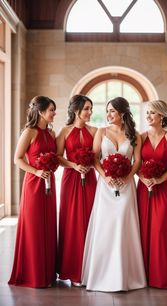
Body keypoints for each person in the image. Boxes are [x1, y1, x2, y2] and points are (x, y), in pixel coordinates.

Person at [81, 97, 146, 292]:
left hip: (126, 187)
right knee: (105, 226)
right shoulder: (101, 132)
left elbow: (137, 161)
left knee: (123, 225)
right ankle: (100, 275)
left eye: (112, 111)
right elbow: (95, 159)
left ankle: (127, 276)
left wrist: (127, 178)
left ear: (122, 113)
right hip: (106, 186)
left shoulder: (135, 135)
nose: (108, 115)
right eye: (107, 111)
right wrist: (106, 177)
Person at [9, 96, 57, 288]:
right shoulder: (29, 132)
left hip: (50, 182)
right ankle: (33, 275)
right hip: (34, 183)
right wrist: (37, 171)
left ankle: (47, 274)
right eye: (51, 110)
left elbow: (56, 157)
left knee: (48, 226)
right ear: (41, 112)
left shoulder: (52, 134)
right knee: (34, 227)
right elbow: (18, 159)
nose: (54, 113)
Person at [137, 100, 167, 288]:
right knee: (143, 229)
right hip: (143, 188)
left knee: (161, 230)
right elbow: (135, 163)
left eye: (152, 113)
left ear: (161, 115)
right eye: (147, 113)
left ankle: (161, 276)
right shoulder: (140, 137)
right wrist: (143, 178)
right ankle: (142, 276)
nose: (148, 116)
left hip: (163, 188)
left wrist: (161, 179)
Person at [57, 94, 97, 286]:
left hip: (90, 178)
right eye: (87, 109)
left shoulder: (95, 131)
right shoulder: (64, 131)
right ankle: (72, 270)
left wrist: (89, 166)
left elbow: (98, 156)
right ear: (76, 110)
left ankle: (89, 269)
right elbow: (57, 157)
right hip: (70, 179)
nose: (90, 112)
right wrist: (74, 165)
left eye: (91, 109)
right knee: (71, 221)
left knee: (90, 219)